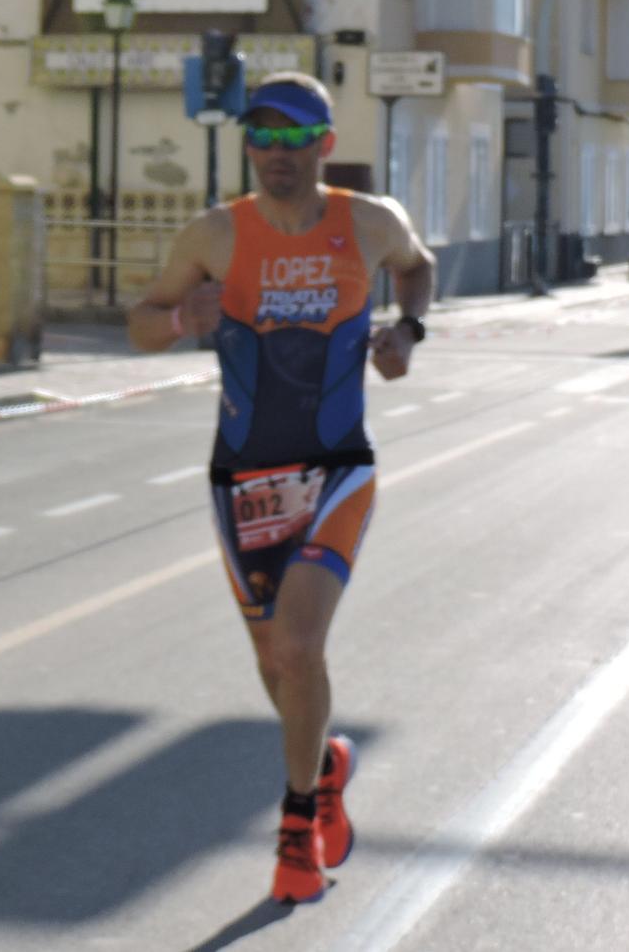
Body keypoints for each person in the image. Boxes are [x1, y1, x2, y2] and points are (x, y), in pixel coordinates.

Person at [125, 73, 435, 906]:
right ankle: (324, 765)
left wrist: (407, 331)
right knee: (276, 660)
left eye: (295, 138)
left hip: (337, 467)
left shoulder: (370, 222)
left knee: (298, 647)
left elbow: (419, 269)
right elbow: (142, 322)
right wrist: (179, 321)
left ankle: (296, 832)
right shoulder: (213, 235)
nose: (277, 154)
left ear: (324, 144)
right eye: (262, 137)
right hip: (244, 477)